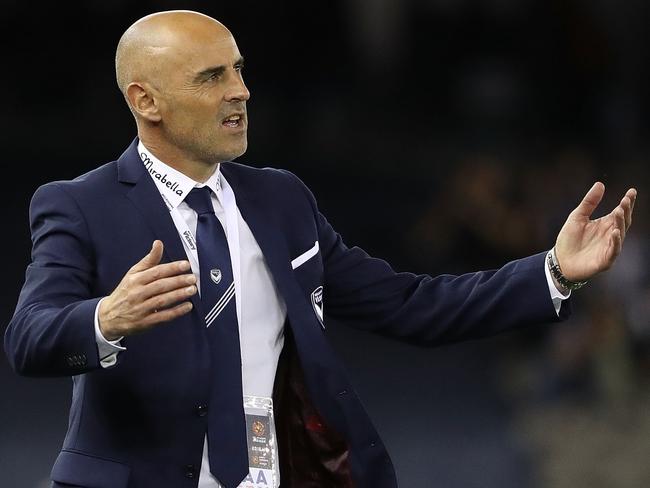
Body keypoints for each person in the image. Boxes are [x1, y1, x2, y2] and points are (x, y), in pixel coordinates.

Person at [3, 9, 637, 488]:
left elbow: (410, 304)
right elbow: (28, 338)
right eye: (212, 77)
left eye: (240, 70)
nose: (240, 91)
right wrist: (104, 319)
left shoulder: (281, 201)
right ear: (146, 101)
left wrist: (555, 273)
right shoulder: (79, 204)